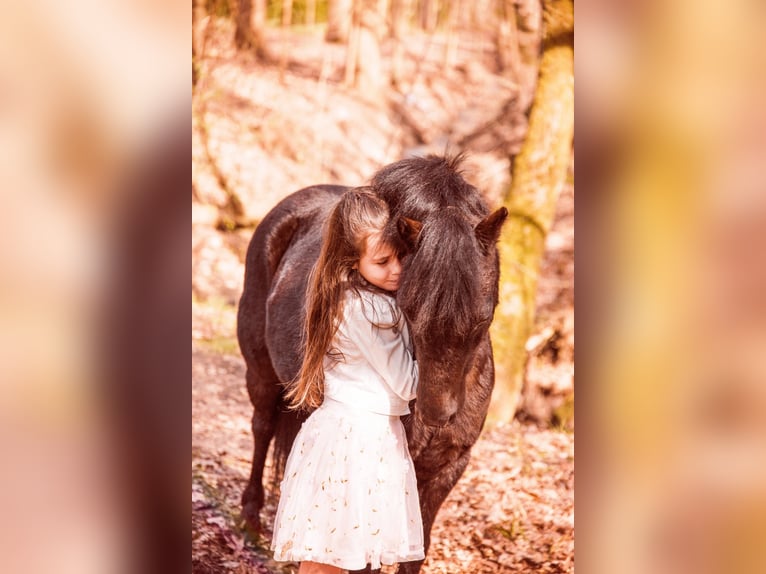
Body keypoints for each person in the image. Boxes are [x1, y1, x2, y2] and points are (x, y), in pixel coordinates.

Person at [271, 189, 424, 573]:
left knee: (334, 561)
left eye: (401, 257)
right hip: (354, 446)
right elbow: (407, 383)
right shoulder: (365, 309)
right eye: (382, 261)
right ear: (352, 261)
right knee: (327, 564)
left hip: (361, 437)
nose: (396, 269)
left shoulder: (357, 298)